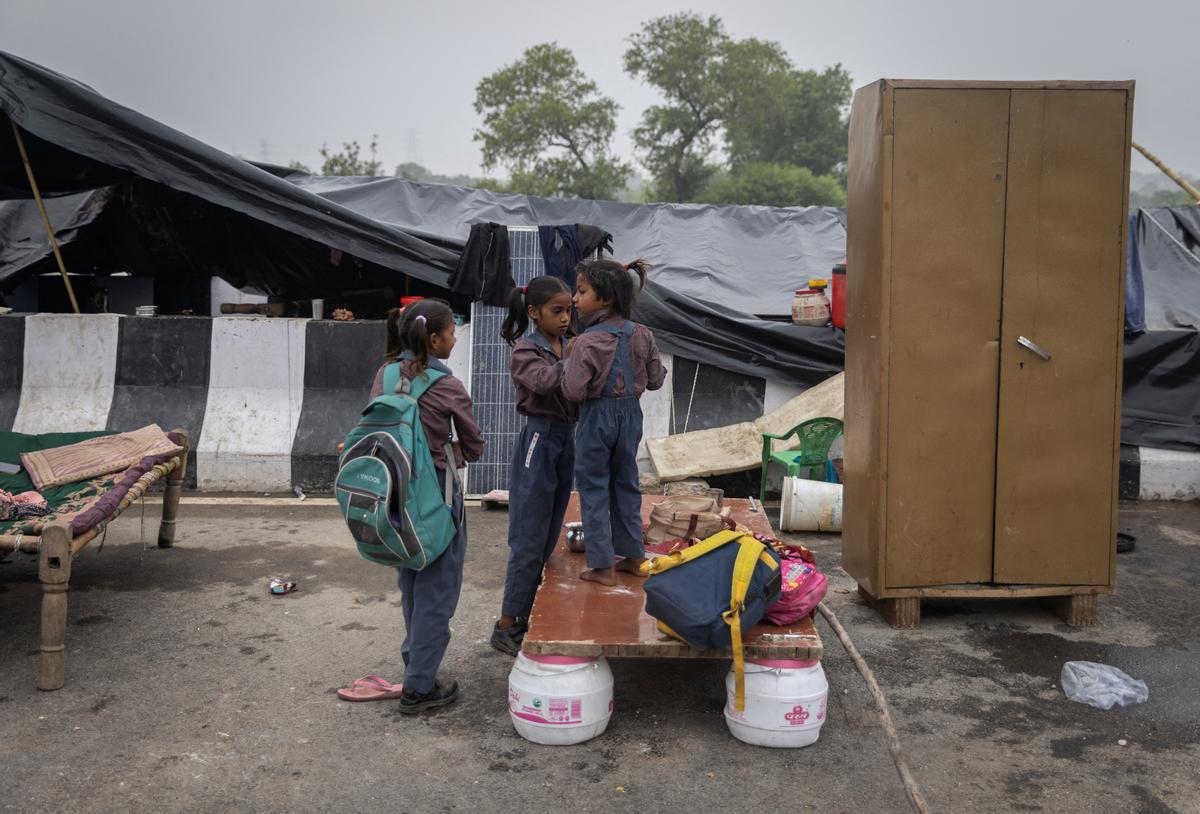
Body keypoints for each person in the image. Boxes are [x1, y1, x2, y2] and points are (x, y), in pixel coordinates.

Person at [367, 299, 484, 713]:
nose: (454, 339)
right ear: (434, 339)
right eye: (452, 333)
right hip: (436, 495)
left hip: (394, 495)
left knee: (412, 583)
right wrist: (446, 447)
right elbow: (473, 444)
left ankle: (416, 663)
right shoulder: (447, 385)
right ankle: (419, 688)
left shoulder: (384, 374)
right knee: (438, 589)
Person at [562, 259, 666, 586]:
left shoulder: (586, 342)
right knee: (626, 484)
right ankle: (634, 557)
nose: (574, 300)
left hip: (597, 417)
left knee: (593, 488)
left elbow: (574, 390)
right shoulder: (643, 334)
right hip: (630, 416)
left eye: (581, 292)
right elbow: (656, 381)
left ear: (604, 299)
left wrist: (567, 360)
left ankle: (602, 565)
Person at [491, 276, 576, 656]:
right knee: (528, 537)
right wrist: (579, 356)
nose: (564, 318)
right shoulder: (526, 350)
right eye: (557, 311)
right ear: (533, 312)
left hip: (566, 440)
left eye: (569, 310)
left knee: (548, 534)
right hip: (539, 442)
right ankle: (507, 623)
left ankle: (530, 613)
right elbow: (544, 382)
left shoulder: (566, 344)